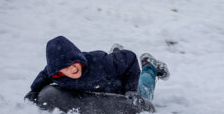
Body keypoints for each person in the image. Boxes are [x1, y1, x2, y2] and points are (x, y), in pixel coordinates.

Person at [25, 35, 170, 105]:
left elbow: (130, 58)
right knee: (117, 62)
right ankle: (116, 53)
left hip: (123, 86)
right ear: (58, 72)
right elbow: (45, 74)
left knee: (145, 91)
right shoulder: (57, 75)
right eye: (66, 68)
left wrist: (131, 89)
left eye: (74, 62)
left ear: (78, 57)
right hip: (104, 86)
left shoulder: (99, 62)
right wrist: (34, 90)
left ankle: (150, 66)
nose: (73, 68)